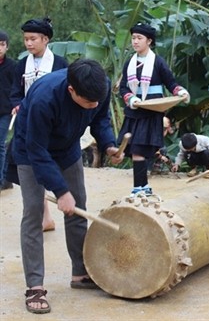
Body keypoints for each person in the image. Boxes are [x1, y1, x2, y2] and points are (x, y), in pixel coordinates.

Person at [11, 59, 124, 314]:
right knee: (33, 214)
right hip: (31, 152)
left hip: (68, 149)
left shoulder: (99, 88)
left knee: (78, 207)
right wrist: (60, 192)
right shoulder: (44, 98)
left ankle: (80, 273)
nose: (93, 105)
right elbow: (37, 150)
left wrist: (109, 145)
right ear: (71, 90)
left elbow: (101, 120)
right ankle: (35, 286)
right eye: (88, 102)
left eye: (97, 100)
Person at [8, 17, 69, 231]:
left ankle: (50, 214)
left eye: (33, 39)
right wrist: (16, 105)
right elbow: (16, 92)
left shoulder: (60, 64)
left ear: (45, 39)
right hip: (27, 122)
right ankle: (45, 217)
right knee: (31, 168)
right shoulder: (22, 64)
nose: (28, 44)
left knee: (47, 166)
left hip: (51, 124)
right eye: (26, 39)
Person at [118, 23, 189, 197]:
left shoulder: (158, 62)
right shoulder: (129, 63)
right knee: (136, 149)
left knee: (139, 150)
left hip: (151, 111)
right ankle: (141, 187)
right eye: (133, 38)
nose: (135, 41)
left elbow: (170, 82)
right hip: (134, 111)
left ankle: (140, 187)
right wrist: (131, 98)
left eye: (139, 38)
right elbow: (123, 88)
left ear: (149, 41)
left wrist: (180, 91)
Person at [0, 31, 16, 191]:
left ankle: (1, 179)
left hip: (6, 111)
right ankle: (5, 178)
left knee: (0, 144)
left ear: (7, 47)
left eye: (2, 44)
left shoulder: (12, 67)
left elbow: (17, 89)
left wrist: (15, 105)